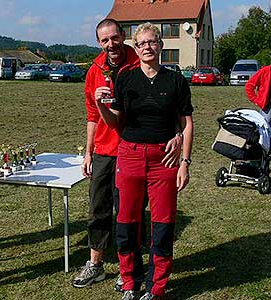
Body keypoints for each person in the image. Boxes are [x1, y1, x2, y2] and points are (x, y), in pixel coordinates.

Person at [72, 19, 183, 291]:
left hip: (135, 151)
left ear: (124, 37)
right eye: (104, 40)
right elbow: (91, 116)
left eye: (115, 37)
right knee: (98, 208)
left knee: (131, 213)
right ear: (99, 42)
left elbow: (173, 111)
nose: (111, 44)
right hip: (104, 149)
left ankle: (130, 270)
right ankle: (95, 264)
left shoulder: (141, 64)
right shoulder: (94, 70)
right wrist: (88, 152)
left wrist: (178, 136)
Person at [95, 22, 194, 300]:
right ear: (135, 48)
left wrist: (185, 161)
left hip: (165, 158)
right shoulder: (125, 78)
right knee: (126, 223)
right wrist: (101, 105)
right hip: (130, 155)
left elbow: (186, 123)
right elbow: (115, 122)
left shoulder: (175, 80)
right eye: (142, 43)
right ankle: (130, 282)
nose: (147, 47)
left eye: (152, 42)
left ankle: (156, 287)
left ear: (161, 46)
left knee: (162, 225)